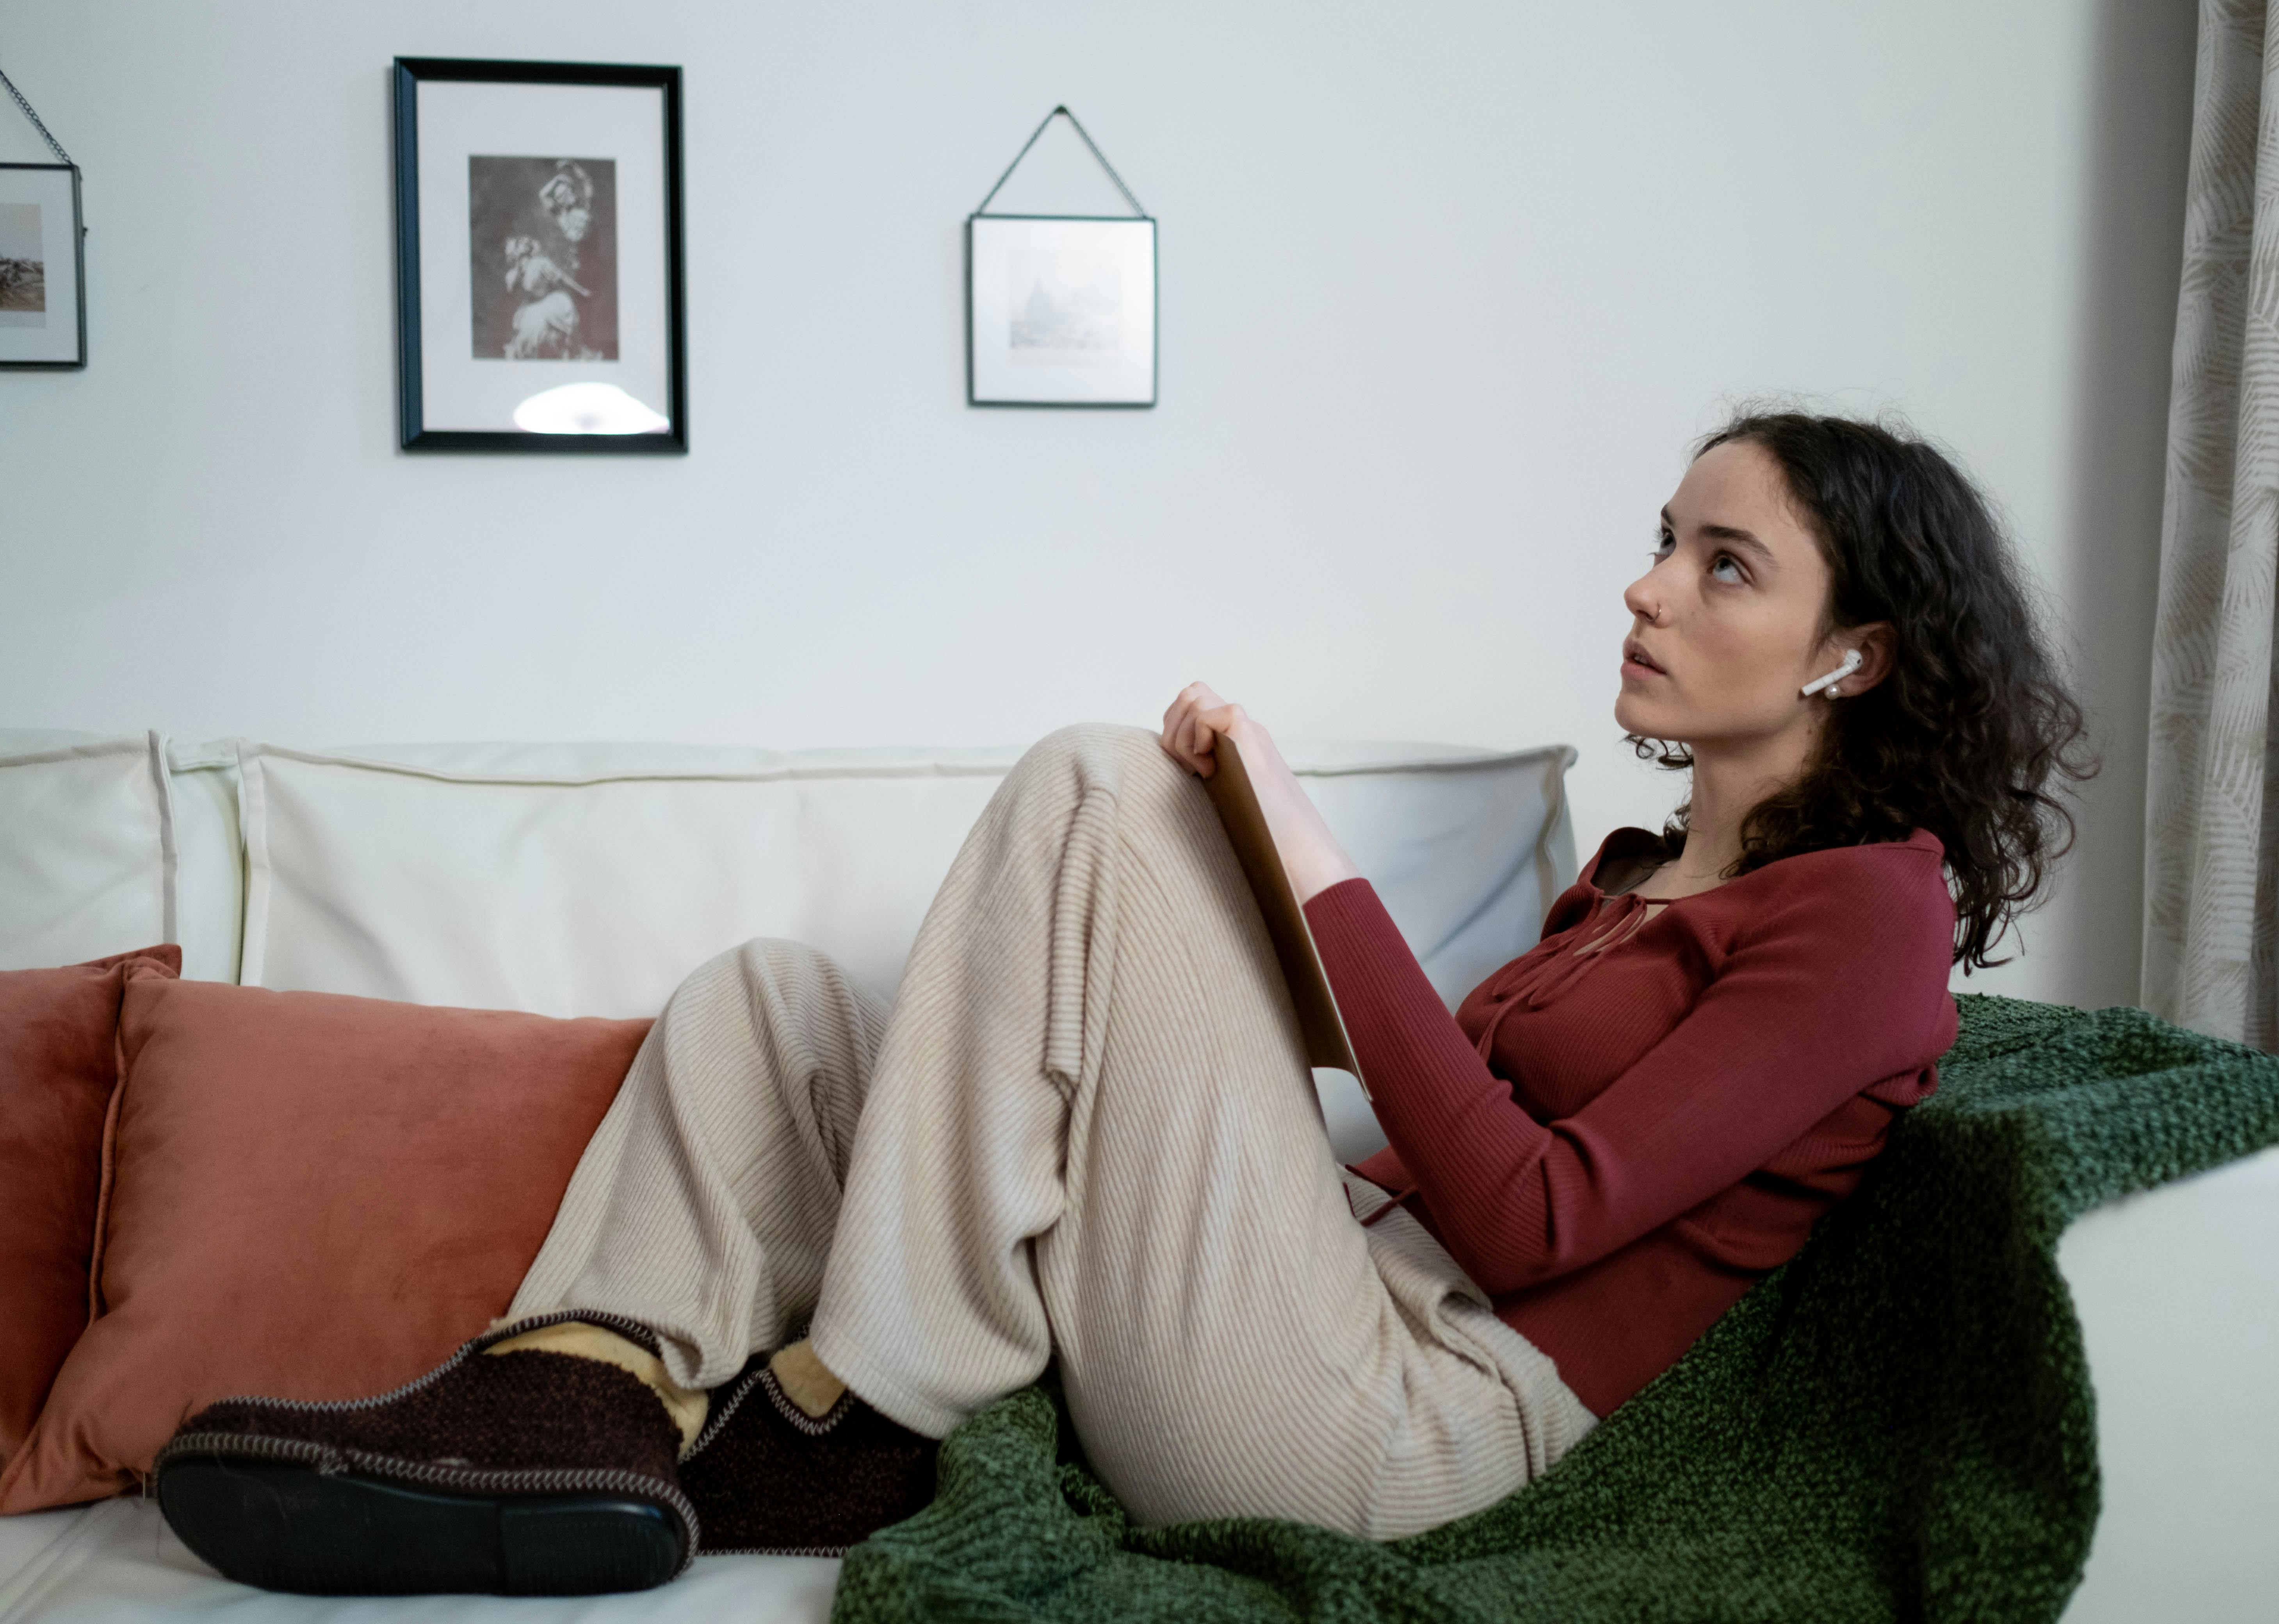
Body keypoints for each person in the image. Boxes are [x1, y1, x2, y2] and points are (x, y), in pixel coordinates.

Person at [156, 411, 2091, 1596]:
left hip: (1401, 1422)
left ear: (1853, 649)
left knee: (1103, 780)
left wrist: (1305, 852)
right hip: (1320, 1278)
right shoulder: (1633, 869)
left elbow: (1529, 1215)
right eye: (1664, 535)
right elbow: (1404, 1122)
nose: (1648, 586)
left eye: (1720, 560)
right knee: (766, 1002)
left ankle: (868, 1402)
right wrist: (1231, 928)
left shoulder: (1865, 923)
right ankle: (574, 1396)